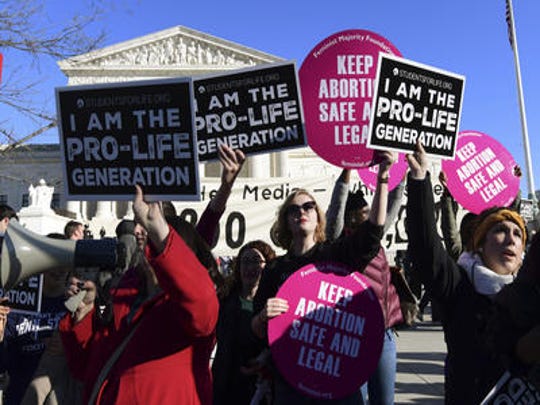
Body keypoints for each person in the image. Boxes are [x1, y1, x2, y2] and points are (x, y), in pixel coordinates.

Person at [252, 151, 396, 404]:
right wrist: (264, 316)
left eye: (308, 206)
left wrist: (383, 178)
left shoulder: (333, 255)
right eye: (293, 209)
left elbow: (372, 233)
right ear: (285, 220)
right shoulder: (275, 269)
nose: (301, 212)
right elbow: (256, 328)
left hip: (338, 378)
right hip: (292, 380)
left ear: (318, 215)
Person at [59, 185, 219, 405]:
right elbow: (84, 366)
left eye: (152, 239)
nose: (138, 233)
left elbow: (201, 302)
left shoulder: (185, 306)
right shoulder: (121, 296)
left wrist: (160, 231)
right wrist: (85, 313)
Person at [405, 142, 527, 404]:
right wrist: (419, 179)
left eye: (518, 234)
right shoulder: (459, 285)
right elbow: (426, 246)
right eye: (500, 231)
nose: (511, 239)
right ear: (480, 244)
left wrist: (512, 187)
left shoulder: (529, 294)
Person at [325, 168, 405, 405]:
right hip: (352, 335)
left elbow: (392, 203)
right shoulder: (339, 242)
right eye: (363, 212)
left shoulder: (375, 238)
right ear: (351, 217)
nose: (370, 214)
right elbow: (335, 212)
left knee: (384, 401)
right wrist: (346, 174)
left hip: (384, 334)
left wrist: (399, 172)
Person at [0, 233, 69, 405]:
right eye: (53, 261)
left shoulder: (75, 305)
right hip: (20, 395)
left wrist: (67, 346)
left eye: (65, 261)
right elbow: (3, 363)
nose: (60, 269)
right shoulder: (19, 303)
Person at [212, 240, 276, 405]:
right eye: (245, 262)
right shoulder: (224, 300)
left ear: (267, 266)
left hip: (258, 387)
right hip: (225, 383)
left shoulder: (275, 305)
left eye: (256, 261)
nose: (249, 268)